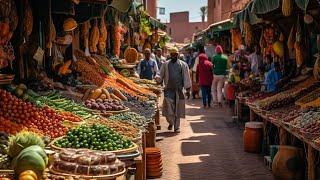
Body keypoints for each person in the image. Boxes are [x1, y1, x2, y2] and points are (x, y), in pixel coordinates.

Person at [155, 47, 192, 133]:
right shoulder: (165, 64)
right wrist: (157, 78)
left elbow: (186, 77)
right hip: (168, 90)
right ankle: (171, 122)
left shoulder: (183, 65)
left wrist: (188, 89)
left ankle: (176, 127)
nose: (174, 56)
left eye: (175, 55)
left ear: (178, 55)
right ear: (170, 55)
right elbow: (160, 74)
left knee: (178, 110)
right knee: (168, 109)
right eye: (172, 55)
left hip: (179, 91)